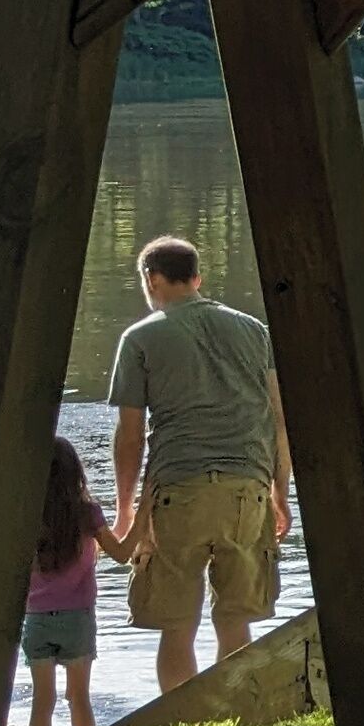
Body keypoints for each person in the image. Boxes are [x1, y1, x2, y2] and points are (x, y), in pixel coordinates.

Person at [106, 235, 293, 691]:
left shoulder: (140, 338)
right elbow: (277, 420)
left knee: (177, 624)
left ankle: (181, 719)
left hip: (178, 491)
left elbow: (130, 437)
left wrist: (125, 509)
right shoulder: (254, 331)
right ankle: (235, 713)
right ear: (197, 279)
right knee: (235, 619)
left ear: (151, 279)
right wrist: (280, 493)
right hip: (247, 489)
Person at [19, 436, 129, 726]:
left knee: (43, 700)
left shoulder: (27, 515)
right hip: (77, 618)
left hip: (36, 619)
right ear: (75, 473)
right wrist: (144, 512)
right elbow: (121, 554)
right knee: (78, 696)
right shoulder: (88, 514)